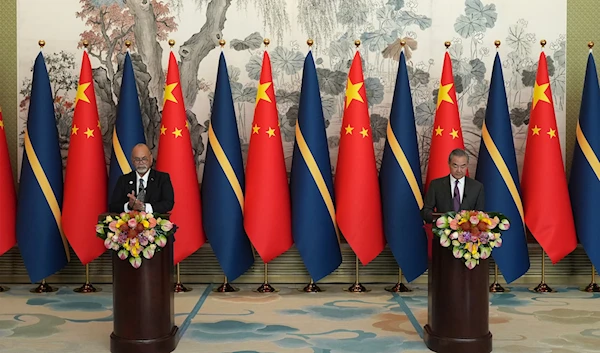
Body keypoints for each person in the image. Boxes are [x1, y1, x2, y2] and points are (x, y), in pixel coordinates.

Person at [421, 148, 484, 223]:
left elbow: (480, 215)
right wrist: (441, 221)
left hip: (467, 233)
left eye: (463, 166)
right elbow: (426, 211)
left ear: (467, 165)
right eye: (455, 166)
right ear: (449, 164)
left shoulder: (477, 187)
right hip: (443, 232)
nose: (459, 170)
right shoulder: (436, 185)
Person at [109, 143, 174, 214]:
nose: (141, 163)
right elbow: (113, 205)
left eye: (144, 159)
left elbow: (168, 203)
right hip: (129, 223)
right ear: (132, 161)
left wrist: (144, 207)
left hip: (155, 222)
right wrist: (129, 206)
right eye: (137, 159)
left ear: (151, 159)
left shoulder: (162, 178)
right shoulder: (123, 180)